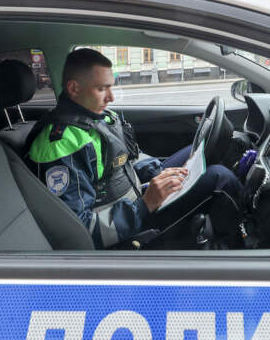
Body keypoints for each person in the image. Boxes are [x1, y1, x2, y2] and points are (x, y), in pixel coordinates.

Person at [26, 48, 243, 248]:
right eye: (101, 89)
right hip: (129, 229)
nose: (111, 97)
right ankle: (240, 250)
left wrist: (158, 172)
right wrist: (145, 204)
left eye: (111, 86)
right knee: (220, 178)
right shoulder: (62, 144)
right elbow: (81, 231)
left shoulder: (99, 117)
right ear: (74, 88)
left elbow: (128, 158)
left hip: (135, 199)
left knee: (200, 152)